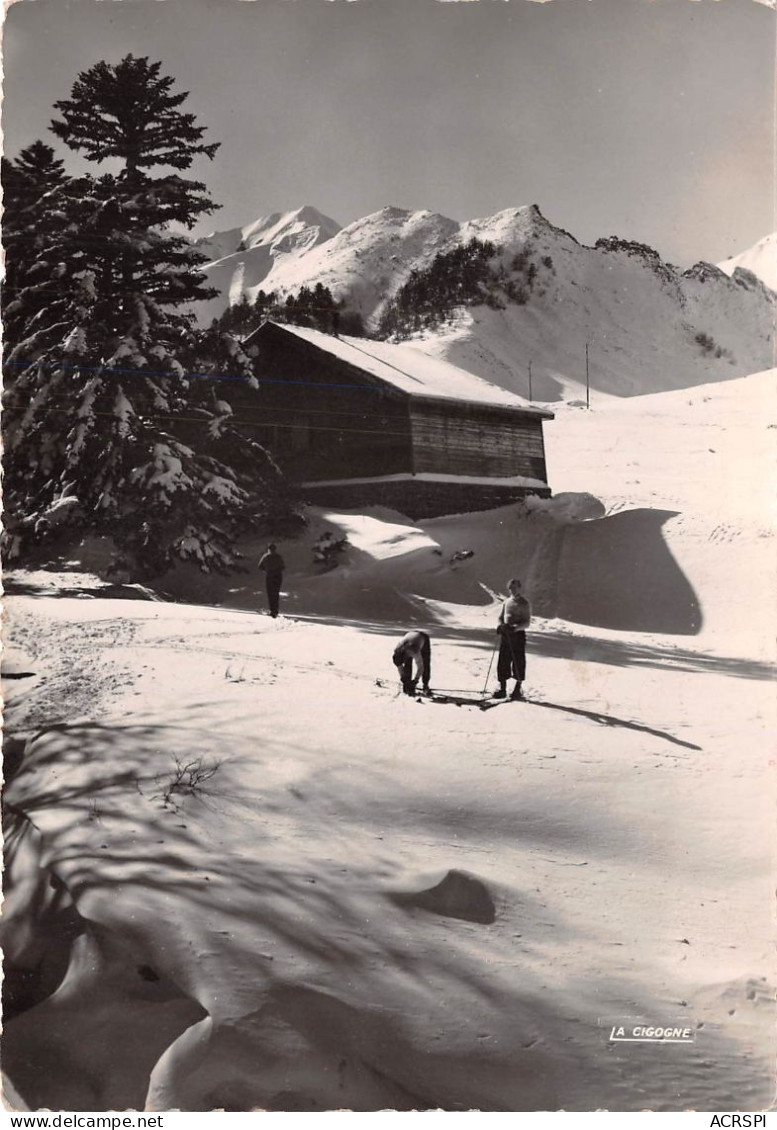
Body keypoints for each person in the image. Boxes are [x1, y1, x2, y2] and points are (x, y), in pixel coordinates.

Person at [494, 578, 531, 700]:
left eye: (515, 587)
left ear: (520, 588)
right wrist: (500, 626)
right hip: (506, 635)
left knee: (518, 662)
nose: (512, 590)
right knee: (503, 661)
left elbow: (526, 623)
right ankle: (502, 689)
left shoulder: (524, 603)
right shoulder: (506, 602)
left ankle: (517, 689)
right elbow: (501, 617)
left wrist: (515, 628)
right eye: (510, 588)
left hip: (518, 636)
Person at [393, 630, 432, 696]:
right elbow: (400, 667)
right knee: (407, 665)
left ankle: (425, 684)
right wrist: (404, 679)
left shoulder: (415, 652)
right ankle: (408, 685)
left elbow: (420, 667)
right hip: (409, 636)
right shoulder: (397, 652)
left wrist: (415, 680)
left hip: (423, 638)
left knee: (425, 662)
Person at [258, 542, 285, 618]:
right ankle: (275, 610)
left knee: (270, 593)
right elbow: (282, 567)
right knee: (276, 593)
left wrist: (267, 570)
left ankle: (272, 610)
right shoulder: (278, 557)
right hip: (278, 576)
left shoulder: (265, 557)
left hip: (269, 576)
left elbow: (260, 567)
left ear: (268, 549)